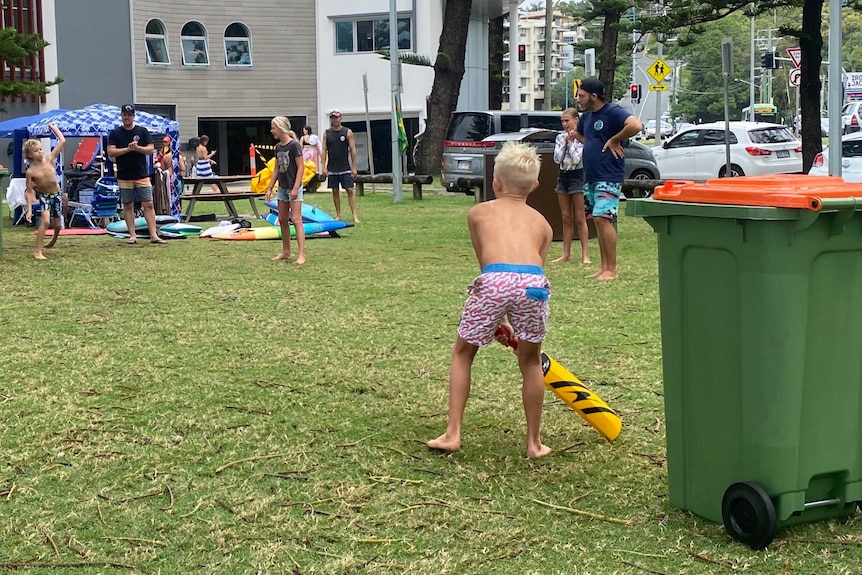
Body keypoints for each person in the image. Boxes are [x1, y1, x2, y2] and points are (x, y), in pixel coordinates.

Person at [427, 140, 553, 459]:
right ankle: (534, 443)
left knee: (463, 352)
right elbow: (532, 269)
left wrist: (495, 317)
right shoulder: (544, 225)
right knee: (529, 360)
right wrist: (508, 317)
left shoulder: (478, 213)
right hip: (533, 285)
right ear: (535, 185)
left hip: (494, 279)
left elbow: (487, 265)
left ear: (495, 182)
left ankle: (453, 433)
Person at [574, 78, 642, 280]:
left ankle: (612, 269)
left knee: (604, 218)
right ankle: (604, 268)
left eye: (582, 95)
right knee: (597, 219)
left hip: (609, 174)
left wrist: (614, 139)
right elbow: (579, 134)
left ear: (594, 96)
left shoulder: (612, 112)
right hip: (591, 175)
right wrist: (593, 145)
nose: (579, 99)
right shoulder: (586, 117)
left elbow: (636, 125)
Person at [107, 104, 164, 244]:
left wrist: (137, 148)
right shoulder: (115, 133)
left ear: (133, 116)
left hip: (141, 174)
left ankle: (153, 235)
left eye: (129, 115)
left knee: (148, 204)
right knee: (128, 205)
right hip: (124, 175)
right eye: (124, 115)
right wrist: (127, 149)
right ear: (121, 116)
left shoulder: (142, 131)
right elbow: (111, 152)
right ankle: (132, 235)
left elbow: (150, 149)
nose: (127, 117)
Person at [265, 116, 306, 265]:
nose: (272, 131)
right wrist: (270, 187)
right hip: (282, 187)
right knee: (282, 219)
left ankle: (301, 255)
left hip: (294, 186)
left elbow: (301, 167)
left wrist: (296, 188)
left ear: (281, 128)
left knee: (296, 219)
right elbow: (276, 169)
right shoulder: (278, 147)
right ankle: (286, 251)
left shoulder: (294, 145)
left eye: (273, 127)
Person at [23, 123, 66, 260]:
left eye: (41, 149)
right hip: (44, 196)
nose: (40, 152)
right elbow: (30, 192)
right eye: (36, 151)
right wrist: (29, 210)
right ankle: (37, 251)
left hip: (56, 195)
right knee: (46, 221)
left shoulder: (49, 159)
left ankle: (53, 240)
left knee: (58, 225)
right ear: (30, 155)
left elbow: (62, 141)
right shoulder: (30, 172)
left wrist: (53, 128)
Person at [552, 108, 590, 264]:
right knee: (566, 217)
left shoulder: (582, 137)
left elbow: (576, 159)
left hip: (577, 175)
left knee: (580, 217)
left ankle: (585, 255)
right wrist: (565, 143)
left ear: (576, 120)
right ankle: (565, 253)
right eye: (562, 121)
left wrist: (572, 143)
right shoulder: (560, 137)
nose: (564, 124)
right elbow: (557, 158)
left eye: (567, 120)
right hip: (563, 176)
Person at [321, 110, 360, 223]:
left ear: (340, 118)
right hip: (332, 167)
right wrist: (323, 166)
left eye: (336, 118)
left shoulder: (347, 132)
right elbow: (324, 150)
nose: (335, 120)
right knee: (335, 191)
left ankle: (354, 215)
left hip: (345, 167)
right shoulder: (327, 133)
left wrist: (354, 167)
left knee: (349, 190)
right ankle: (338, 215)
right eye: (333, 118)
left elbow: (352, 150)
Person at [300, 125, 321, 192]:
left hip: (307, 152)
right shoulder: (305, 138)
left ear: (307, 130)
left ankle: (311, 183)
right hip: (312, 152)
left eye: (304, 130)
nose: (303, 131)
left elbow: (300, 147)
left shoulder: (304, 138)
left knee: (310, 167)